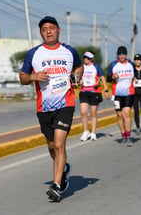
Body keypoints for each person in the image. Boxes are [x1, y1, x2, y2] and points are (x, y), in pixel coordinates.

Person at [19, 16, 83, 202]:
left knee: (59, 144)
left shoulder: (69, 51)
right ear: (40, 33)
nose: (48, 31)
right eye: (45, 29)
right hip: (44, 106)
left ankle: (56, 185)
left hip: (65, 104)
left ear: (58, 30)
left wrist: (77, 77)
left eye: (52, 28)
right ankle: (63, 169)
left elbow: (79, 68)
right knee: (51, 145)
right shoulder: (34, 54)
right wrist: (33, 76)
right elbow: (22, 77)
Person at [79, 51, 110, 141]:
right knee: (83, 112)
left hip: (94, 92)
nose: (86, 59)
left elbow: (102, 78)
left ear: (92, 59)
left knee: (93, 113)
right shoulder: (82, 67)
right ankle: (85, 131)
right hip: (84, 91)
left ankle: (93, 132)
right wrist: (79, 81)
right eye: (85, 57)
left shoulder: (96, 67)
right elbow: (77, 76)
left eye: (88, 58)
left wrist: (106, 89)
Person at [107, 46, 135, 146]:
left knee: (126, 113)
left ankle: (128, 136)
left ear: (126, 54)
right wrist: (112, 77)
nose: (121, 56)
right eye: (120, 54)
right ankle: (123, 136)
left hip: (128, 93)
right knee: (119, 115)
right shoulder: (113, 65)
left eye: (123, 54)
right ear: (117, 55)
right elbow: (108, 79)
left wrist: (135, 79)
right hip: (117, 94)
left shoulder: (131, 64)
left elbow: (135, 74)